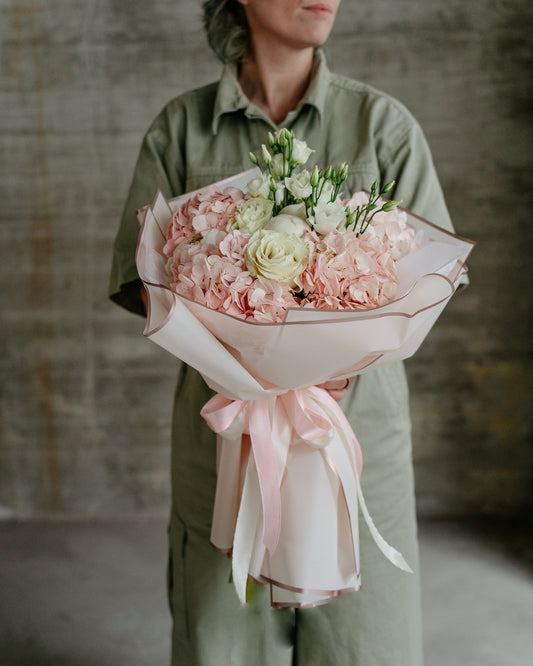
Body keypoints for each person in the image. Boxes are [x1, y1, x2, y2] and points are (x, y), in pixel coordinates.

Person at [109, 1, 458, 663]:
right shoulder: (180, 128)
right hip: (223, 439)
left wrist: (337, 350)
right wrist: (242, 353)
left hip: (358, 438)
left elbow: (430, 282)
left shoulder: (381, 124)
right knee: (224, 641)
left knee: (364, 647)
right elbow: (140, 285)